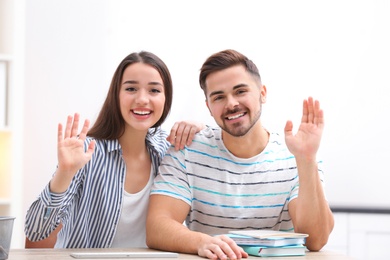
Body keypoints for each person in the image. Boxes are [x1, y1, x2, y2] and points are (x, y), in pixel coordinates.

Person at [146, 49, 334, 259]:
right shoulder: (186, 151)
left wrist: (307, 160)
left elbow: (316, 240)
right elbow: (157, 227)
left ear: (262, 93)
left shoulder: (296, 156)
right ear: (209, 107)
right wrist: (202, 242)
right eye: (219, 97)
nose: (231, 104)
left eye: (240, 91)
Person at [24, 51, 203, 248]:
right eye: (131, 88)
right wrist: (63, 175)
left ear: (166, 98)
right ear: (116, 95)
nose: (142, 99)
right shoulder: (86, 151)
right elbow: (36, 233)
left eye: (154, 90)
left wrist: (199, 128)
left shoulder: (168, 150)